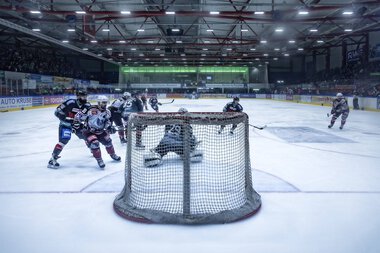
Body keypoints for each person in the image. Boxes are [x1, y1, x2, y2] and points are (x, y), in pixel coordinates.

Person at [47, 90, 91, 169]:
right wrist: (69, 120)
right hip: (65, 125)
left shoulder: (87, 105)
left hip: (77, 125)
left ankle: (91, 147)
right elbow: (57, 112)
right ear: (77, 96)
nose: (85, 98)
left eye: (85, 96)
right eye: (82, 96)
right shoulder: (70, 103)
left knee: (87, 136)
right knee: (64, 140)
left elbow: (89, 117)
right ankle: (52, 159)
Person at [75, 95, 121, 168]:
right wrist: (78, 124)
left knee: (108, 141)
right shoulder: (89, 109)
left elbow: (107, 122)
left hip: (100, 131)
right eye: (103, 103)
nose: (105, 104)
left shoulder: (107, 112)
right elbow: (78, 117)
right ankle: (99, 160)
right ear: (99, 102)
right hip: (89, 131)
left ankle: (112, 154)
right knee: (95, 143)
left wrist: (109, 127)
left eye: (105, 103)